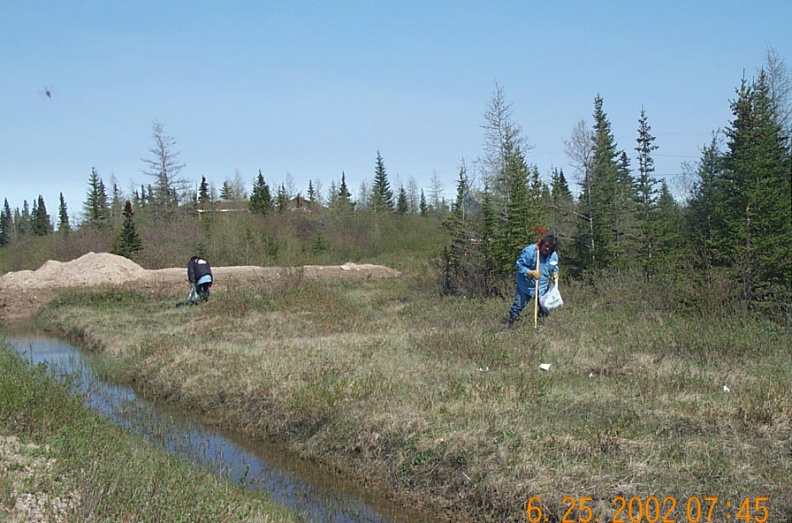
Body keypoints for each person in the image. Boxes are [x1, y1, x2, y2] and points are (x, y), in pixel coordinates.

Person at [507, 234, 559, 325]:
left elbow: (554, 266)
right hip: (525, 286)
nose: (547, 249)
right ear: (542, 244)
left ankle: (540, 324)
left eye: (550, 248)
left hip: (541, 287)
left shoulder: (553, 255)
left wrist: (555, 273)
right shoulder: (530, 251)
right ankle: (512, 324)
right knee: (518, 305)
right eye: (546, 246)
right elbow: (519, 265)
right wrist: (529, 272)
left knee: (545, 307)